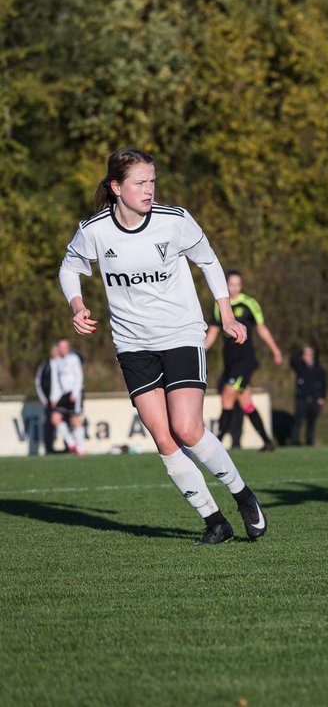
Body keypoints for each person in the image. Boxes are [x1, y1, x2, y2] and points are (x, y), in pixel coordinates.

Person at [58, 147, 267, 544]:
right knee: (164, 437)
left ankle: (243, 495)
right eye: (140, 183)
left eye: (152, 181)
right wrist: (78, 304)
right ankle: (214, 521)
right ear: (116, 187)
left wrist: (225, 313)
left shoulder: (175, 221)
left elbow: (208, 260)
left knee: (187, 429)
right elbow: (70, 267)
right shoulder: (95, 231)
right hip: (133, 344)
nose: (149, 189)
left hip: (181, 335)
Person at [204, 269, 283, 451]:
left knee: (227, 395)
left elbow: (261, 328)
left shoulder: (249, 303)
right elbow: (213, 332)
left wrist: (275, 350)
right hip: (230, 362)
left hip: (245, 361)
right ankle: (267, 442)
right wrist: (199, 350)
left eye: (237, 284)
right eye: (231, 284)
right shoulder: (220, 305)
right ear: (225, 285)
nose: (234, 288)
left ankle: (218, 442)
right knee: (246, 403)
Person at [48, 337, 87, 455]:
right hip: (63, 394)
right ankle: (71, 443)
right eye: (60, 347)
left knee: (75, 419)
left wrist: (75, 393)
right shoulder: (57, 362)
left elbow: (79, 377)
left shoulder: (74, 359)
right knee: (55, 418)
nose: (63, 349)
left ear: (68, 348)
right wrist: (53, 397)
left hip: (74, 393)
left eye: (65, 347)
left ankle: (80, 449)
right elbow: (55, 380)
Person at [290, 344, 328, 446]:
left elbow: (324, 384)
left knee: (311, 422)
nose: (307, 355)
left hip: (315, 399)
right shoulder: (300, 367)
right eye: (305, 353)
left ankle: (309, 441)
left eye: (309, 353)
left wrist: (322, 397)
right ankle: (295, 442)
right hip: (301, 398)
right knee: (298, 421)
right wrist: (301, 351)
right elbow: (292, 359)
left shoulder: (319, 369)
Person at [33, 344, 58, 456]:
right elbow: (38, 381)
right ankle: (49, 448)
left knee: (64, 423)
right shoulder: (45, 365)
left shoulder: (64, 363)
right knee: (48, 424)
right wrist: (44, 398)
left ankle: (69, 447)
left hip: (61, 400)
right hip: (49, 401)